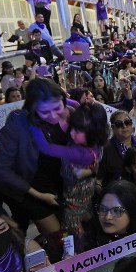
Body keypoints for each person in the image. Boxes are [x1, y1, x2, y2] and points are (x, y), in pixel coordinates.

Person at [0, 79, 70, 259]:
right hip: (32, 190)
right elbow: (1, 170)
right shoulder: (17, 123)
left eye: (57, 108)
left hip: (60, 185)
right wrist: (39, 195)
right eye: (46, 111)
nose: (53, 115)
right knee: (60, 242)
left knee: (72, 235)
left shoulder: (66, 113)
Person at [29, 103, 108, 250]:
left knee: (86, 230)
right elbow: (67, 172)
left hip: (85, 197)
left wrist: (90, 172)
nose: (71, 133)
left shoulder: (96, 145)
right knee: (74, 236)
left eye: (78, 130)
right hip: (73, 200)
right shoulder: (74, 147)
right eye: (72, 128)